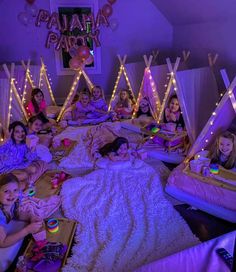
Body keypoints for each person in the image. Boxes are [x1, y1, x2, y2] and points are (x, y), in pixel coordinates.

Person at [0, 173, 42, 248]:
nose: (12, 194)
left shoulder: (13, 201)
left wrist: (31, 216)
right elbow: (2, 242)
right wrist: (27, 230)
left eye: (15, 190)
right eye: (6, 191)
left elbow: (16, 214)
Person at [0, 121, 43, 189]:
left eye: (22, 131)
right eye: (17, 131)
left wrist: (33, 147)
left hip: (17, 166)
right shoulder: (9, 142)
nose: (20, 134)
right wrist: (5, 140)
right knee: (24, 175)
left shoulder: (25, 144)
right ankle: (4, 179)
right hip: (5, 168)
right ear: (12, 133)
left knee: (33, 169)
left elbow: (30, 158)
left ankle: (16, 180)